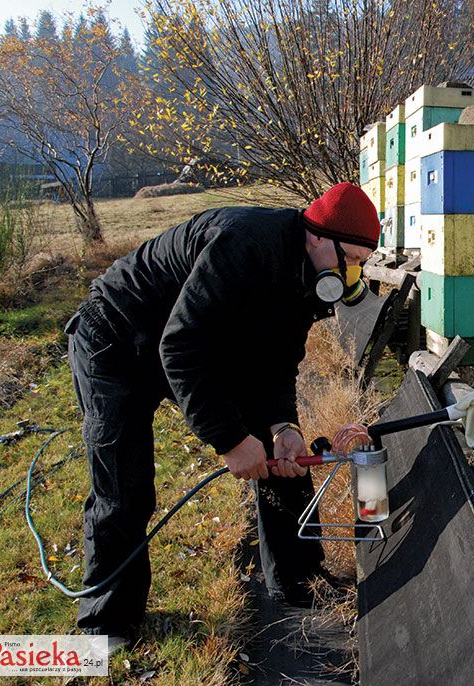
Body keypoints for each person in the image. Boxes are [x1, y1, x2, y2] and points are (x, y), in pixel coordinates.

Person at [63, 182, 380, 647]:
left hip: (190, 341)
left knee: (281, 457)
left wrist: (281, 425)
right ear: (315, 235)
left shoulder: (311, 275)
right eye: (349, 257)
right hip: (115, 339)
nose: (351, 272)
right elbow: (181, 345)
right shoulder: (244, 243)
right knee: (124, 483)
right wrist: (230, 440)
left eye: (359, 263)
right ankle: (106, 623)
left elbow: (277, 360)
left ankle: (297, 580)